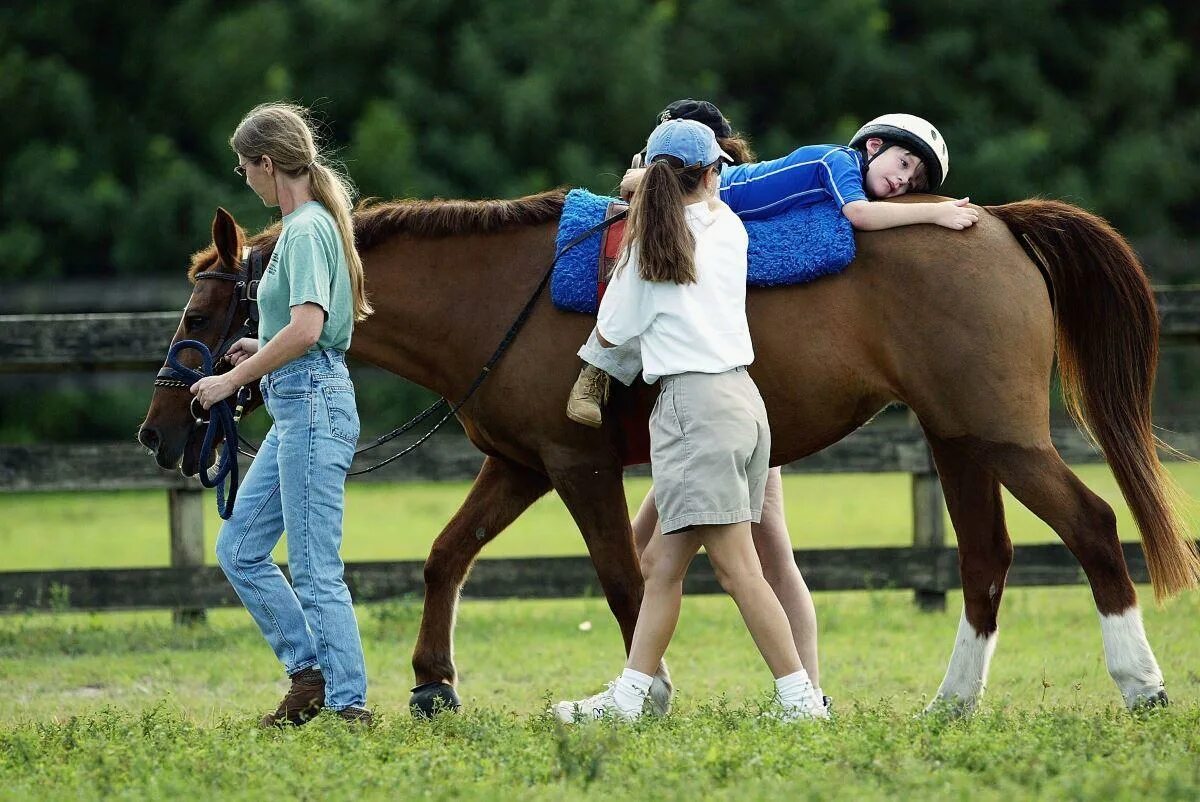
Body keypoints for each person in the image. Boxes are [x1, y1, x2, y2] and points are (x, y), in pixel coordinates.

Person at [553, 119, 826, 722]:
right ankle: (628, 699)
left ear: (652, 177)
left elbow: (617, 328)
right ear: (712, 174)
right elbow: (694, 201)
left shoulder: (646, 249)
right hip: (744, 408)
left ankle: (801, 700)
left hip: (692, 412)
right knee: (659, 565)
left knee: (738, 570)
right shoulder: (728, 227)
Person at [190, 102, 374, 727]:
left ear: (268, 164)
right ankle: (310, 674)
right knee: (240, 548)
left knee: (318, 567)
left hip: (313, 404)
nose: (244, 178)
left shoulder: (302, 229)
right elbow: (293, 332)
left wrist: (230, 379)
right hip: (299, 402)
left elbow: (308, 327)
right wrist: (256, 348)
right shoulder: (314, 224)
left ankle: (349, 705)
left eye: (245, 167)